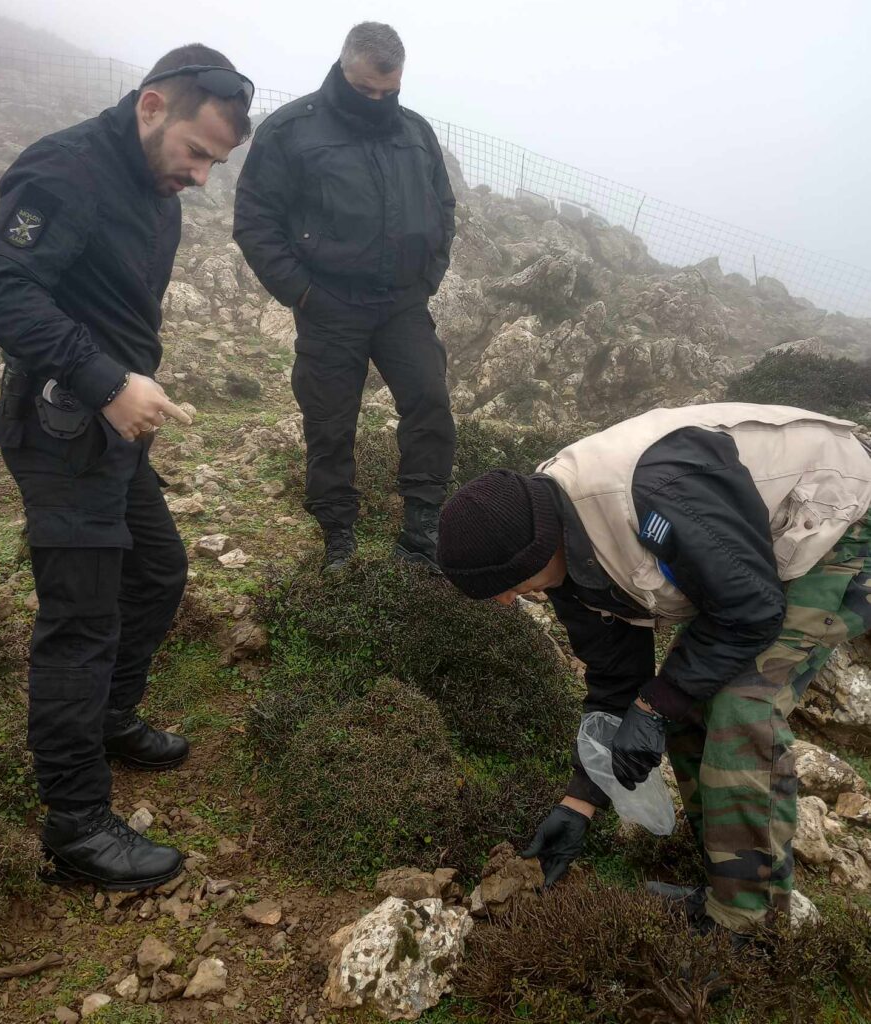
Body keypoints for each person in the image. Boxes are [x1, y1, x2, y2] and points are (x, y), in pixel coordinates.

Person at [0, 45, 253, 890]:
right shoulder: (63, 171)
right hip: (61, 431)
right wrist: (104, 381)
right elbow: (5, 292)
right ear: (151, 108)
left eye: (216, 163)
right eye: (197, 154)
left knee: (158, 573)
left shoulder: (151, 190)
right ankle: (76, 825)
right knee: (81, 622)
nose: (202, 178)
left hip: (114, 435)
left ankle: (107, 719)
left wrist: (133, 396)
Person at [436, 402, 871, 940]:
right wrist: (581, 801)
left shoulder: (655, 494)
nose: (506, 602)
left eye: (505, 585)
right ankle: (727, 884)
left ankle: (750, 927)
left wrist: (657, 701)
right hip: (750, 558)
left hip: (840, 516)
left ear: (534, 550)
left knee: (739, 705)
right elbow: (617, 679)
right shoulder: (559, 553)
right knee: (681, 698)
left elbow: (752, 611)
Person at [233, 22, 456, 570]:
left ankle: (422, 530)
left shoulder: (416, 132)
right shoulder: (290, 130)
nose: (378, 101)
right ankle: (337, 535)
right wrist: (304, 293)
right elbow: (256, 221)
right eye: (366, 91)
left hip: (404, 302)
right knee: (330, 421)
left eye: (389, 91)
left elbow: (443, 208)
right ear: (343, 67)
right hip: (329, 304)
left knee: (429, 402)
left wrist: (427, 278)